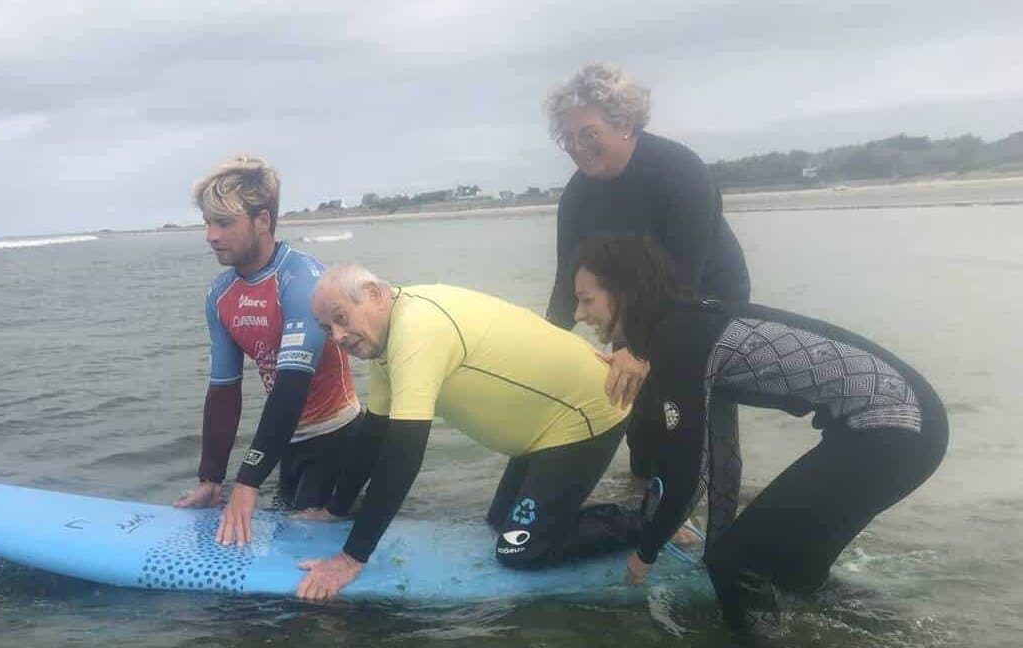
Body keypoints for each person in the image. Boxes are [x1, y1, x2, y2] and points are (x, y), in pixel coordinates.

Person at [572, 235, 948, 633]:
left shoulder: (678, 337)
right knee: (796, 574)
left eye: (587, 299)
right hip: (905, 427)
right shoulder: (687, 326)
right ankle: (900, 632)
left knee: (737, 564)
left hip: (895, 427)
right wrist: (712, 541)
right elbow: (720, 453)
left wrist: (646, 551)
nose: (579, 314)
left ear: (624, 291)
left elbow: (686, 465)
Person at [293, 265, 634, 601]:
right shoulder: (388, 340)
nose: (337, 336)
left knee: (518, 549)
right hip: (544, 430)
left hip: (586, 413)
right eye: (326, 328)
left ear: (373, 296)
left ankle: (648, 521)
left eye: (341, 318)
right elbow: (374, 435)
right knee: (500, 522)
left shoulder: (416, 330)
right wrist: (335, 510)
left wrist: (352, 558)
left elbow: (403, 456)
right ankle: (589, 515)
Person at [543, 63, 751, 477]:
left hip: (707, 299)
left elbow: (684, 276)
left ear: (625, 124)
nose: (577, 147)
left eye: (588, 134)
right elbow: (567, 282)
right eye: (567, 137)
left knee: (697, 412)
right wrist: (541, 346)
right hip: (640, 305)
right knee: (640, 412)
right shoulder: (578, 196)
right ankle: (643, 496)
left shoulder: (679, 171)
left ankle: (712, 514)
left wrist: (636, 347)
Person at [172, 156, 362, 548]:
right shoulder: (220, 295)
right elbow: (224, 391)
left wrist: (247, 482)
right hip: (286, 445)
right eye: (207, 223)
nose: (210, 235)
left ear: (262, 221)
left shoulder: (302, 282)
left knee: (312, 553)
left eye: (224, 223)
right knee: (285, 545)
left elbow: (291, 387)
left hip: (337, 442)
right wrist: (212, 480)